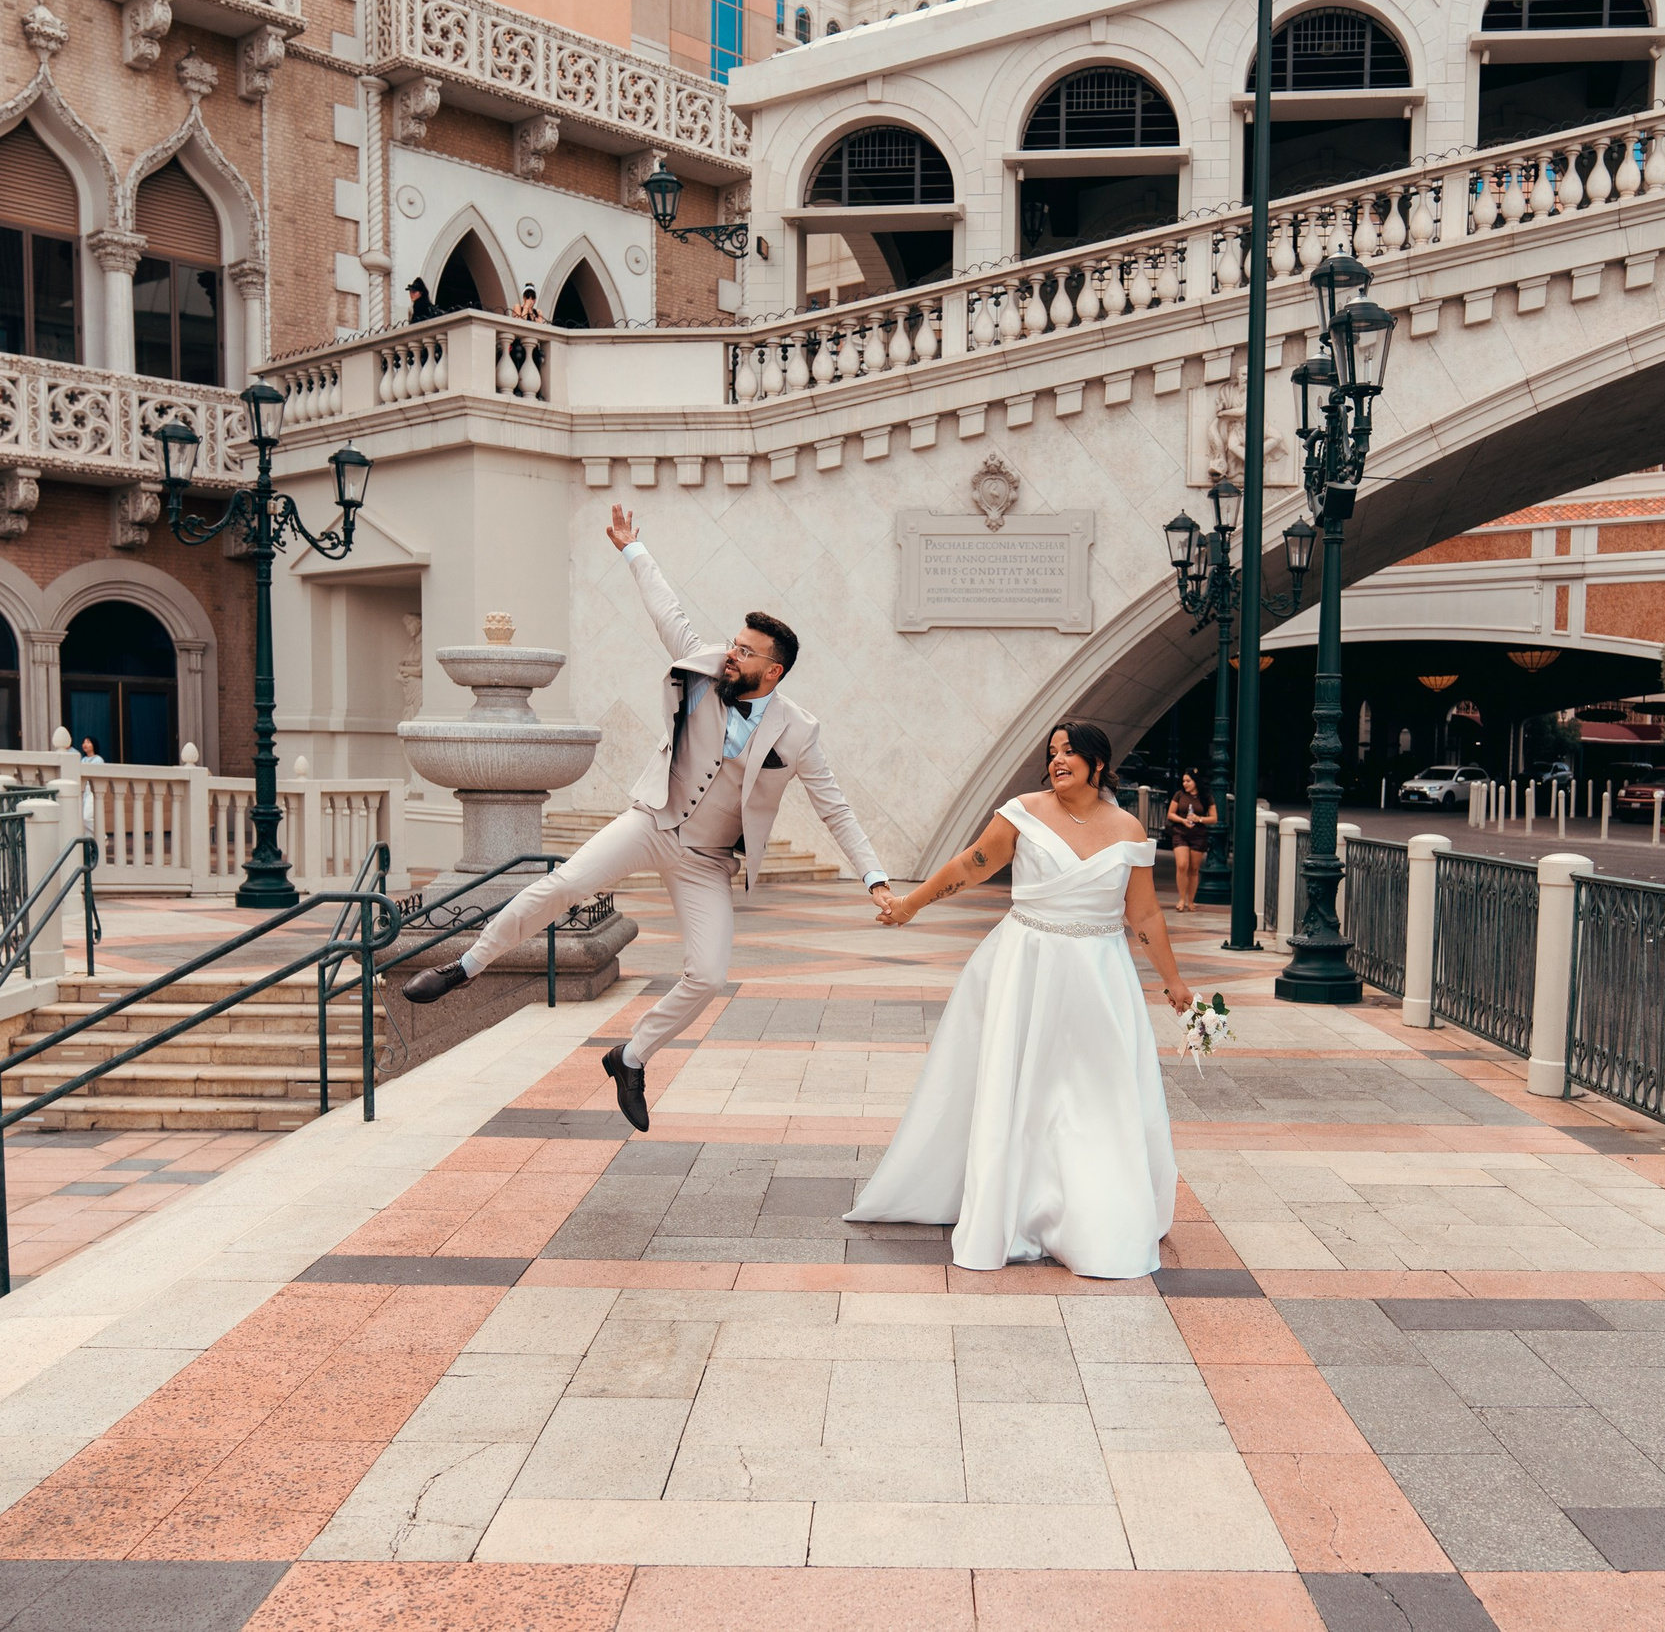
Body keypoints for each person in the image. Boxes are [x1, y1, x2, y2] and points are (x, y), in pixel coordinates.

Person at [400, 502, 895, 1131]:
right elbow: (669, 613)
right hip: (652, 821)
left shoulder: (799, 732)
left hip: (706, 860)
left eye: (744, 652)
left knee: (710, 975)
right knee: (566, 884)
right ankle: (465, 966)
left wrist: (875, 877)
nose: (730, 655)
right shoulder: (701, 666)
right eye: (733, 644)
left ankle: (630, 1058)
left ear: (772, 670)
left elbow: (836, 808)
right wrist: (633, 550)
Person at [846, 722, 1190, 1279]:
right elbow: (971, 864)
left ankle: (1088, 1212)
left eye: (1070, 751)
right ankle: (1015, 1202)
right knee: (1022, 1083)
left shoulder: (1127, 828)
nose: (1057, 760)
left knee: (1091, 1094)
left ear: (1098, 763)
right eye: (1052, 752)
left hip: (1099, 975)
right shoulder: (1023, 812)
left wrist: (1174, 981)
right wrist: (911, 904)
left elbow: (1144, 912)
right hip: (1025, 963)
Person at [1166, 770, 1212, 911]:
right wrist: (1183, 820)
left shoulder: (1206, 797)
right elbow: (1170, 814)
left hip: (1199, 835)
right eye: (1184, 781)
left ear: (1195, 781)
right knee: (1182, 865)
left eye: (1188, 781)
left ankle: (1190, 901)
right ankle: (1181, 899)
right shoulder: (1179, 795)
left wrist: (1199, 819)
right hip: (1181, 833)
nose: (1185, 784)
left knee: (1193, 869)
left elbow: (1214, 818)